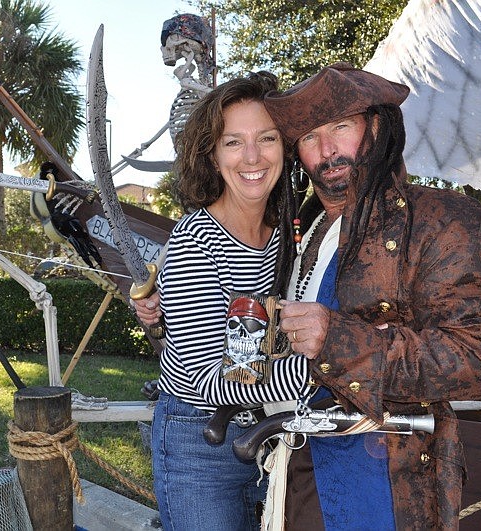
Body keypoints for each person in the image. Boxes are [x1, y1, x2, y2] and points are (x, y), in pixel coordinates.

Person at [258, 63, 481, 529]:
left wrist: (338, 340)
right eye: (311, 137)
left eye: (341, 128)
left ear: (375, 126)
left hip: (387, 482)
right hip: (296, 470)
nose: (327, 150)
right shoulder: (302, 230)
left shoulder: (442, 218)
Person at [143, 71, 310, 531]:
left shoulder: (289, 237)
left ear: (286, 147)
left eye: (267, 138)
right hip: (200, 441)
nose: (252, 157)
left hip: (272, 433)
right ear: (213, 156)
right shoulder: (195, 239)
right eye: (233, 142)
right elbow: (204, 378)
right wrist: (324, 368)